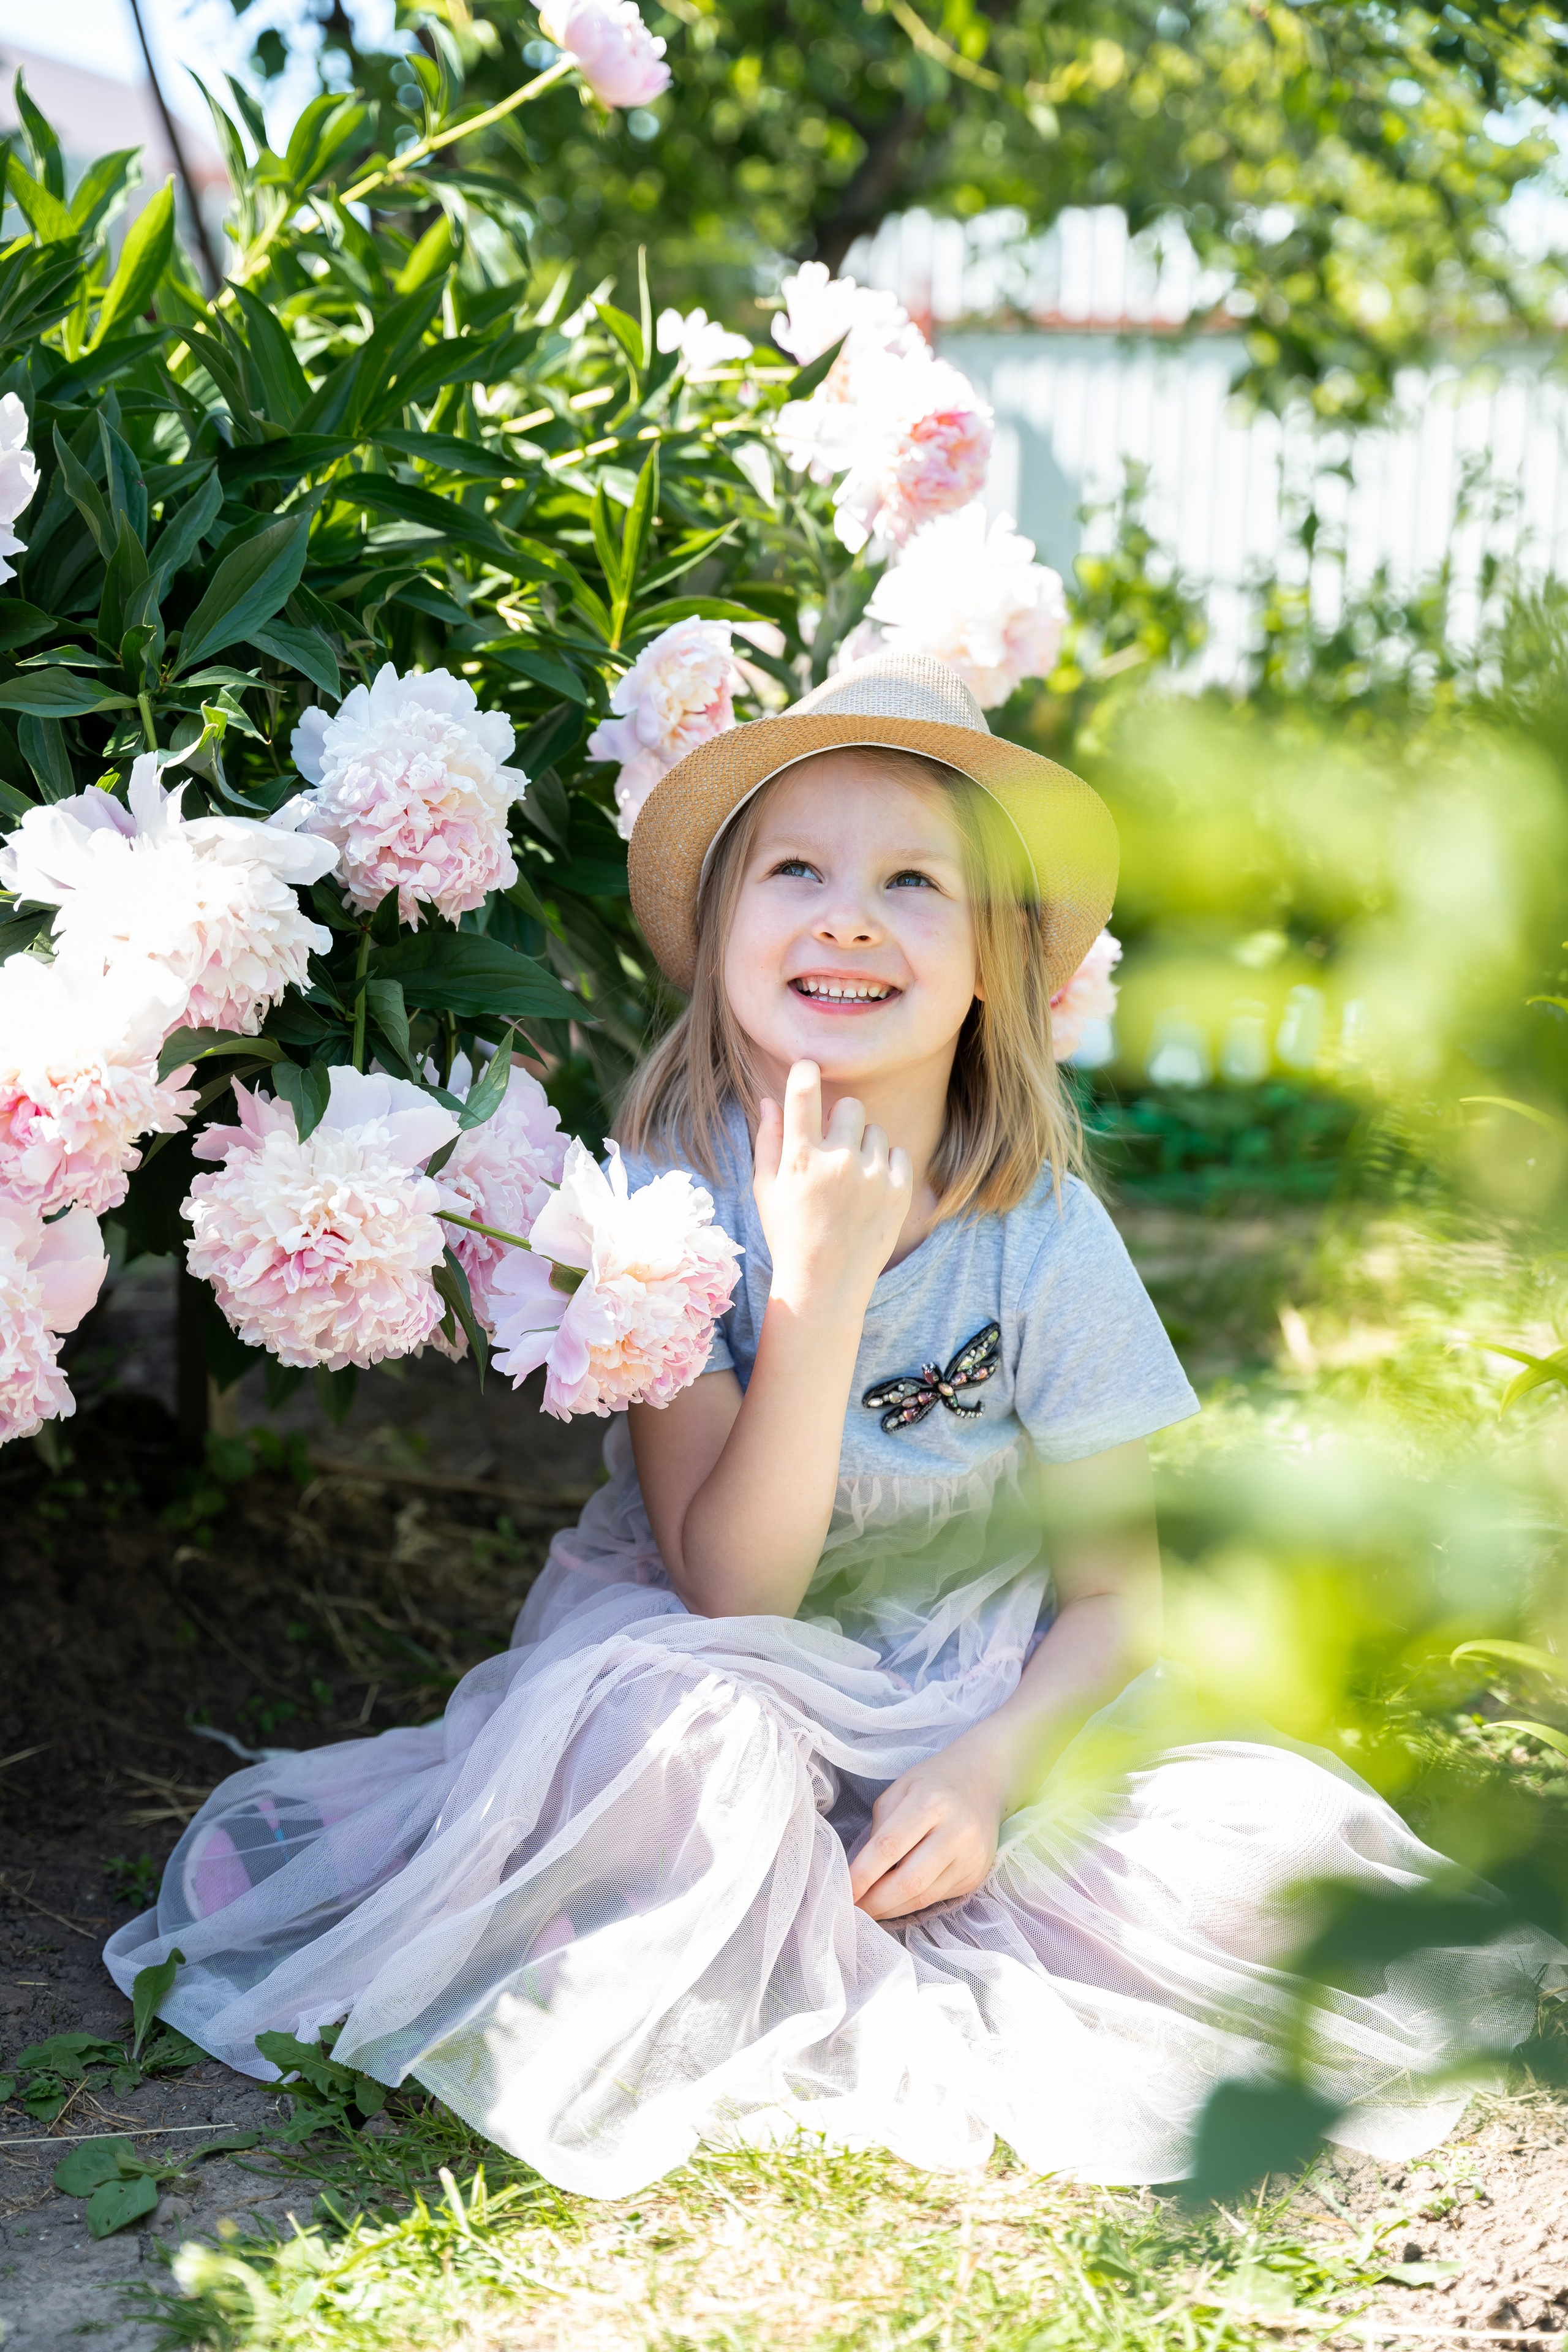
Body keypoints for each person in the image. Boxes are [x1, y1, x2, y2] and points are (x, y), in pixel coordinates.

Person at [104, 654, 1561, 2198]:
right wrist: (814, 1289)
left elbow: (1113, 1599)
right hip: (720, 1651)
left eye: (912, 880)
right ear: (722, 936)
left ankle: (813, 1894)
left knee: (1246, 1843)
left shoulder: (1042, 1237)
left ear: (1001, 957)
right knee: (671, 1746)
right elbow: (735, 1592)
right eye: (792, 869)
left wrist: (995, 1767)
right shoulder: (664, 1203)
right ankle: (674, 1903)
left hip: (975, 1669)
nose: (847, 915)